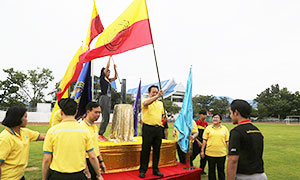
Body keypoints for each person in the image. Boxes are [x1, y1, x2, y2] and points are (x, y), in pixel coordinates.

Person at [42, 98, 103, 180]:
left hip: (57, 175)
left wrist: (44, 178)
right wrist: (98, 175)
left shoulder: (52, 131)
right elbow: (92, 156)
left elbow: (47, 159)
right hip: (78, 175)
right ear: (76, 112)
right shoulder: (84, 131)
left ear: (61, 112)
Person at [0, 106, 45, 180]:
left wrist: (59, 133)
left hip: (20, 176)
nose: (27, 120)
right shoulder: (5, 138)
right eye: (25, 117)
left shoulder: (24, 132)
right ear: (18, 118)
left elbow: (43, 136)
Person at [227, 99, 268, 180]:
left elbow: (233, 160)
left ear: (236, 113)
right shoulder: (257, 130)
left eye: (231, 113)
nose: (230, 116)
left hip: (244, 176)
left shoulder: (236, 131)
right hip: (261, 175)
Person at [139, 85, 164, 178]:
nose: (155, 93)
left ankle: (155, 169)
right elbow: (146, 103)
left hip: (158, 129)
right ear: (149, 93)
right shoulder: (145, 101)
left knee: (157, 151)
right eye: (153, 92)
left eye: (156, 92)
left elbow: (162, 115)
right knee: (146, 150)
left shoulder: (160, 104)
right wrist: (157, 96)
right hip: (148, 128)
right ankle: (143, 170)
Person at [80, 102, 106, 180]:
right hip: (87, 161)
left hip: (94, 159)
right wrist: (86, 170)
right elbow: (81, 152)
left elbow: (96, 146)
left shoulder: (94, 127)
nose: (98, 115)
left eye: (99, 113)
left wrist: (101, 161)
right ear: (88, 112)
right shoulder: (81, 127)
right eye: (96, 112)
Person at [201, 114, 229, 180]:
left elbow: (227, 141)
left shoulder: (224, 129)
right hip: (210, 153)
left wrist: (229, 151)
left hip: (221, 154)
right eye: (214, 117)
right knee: (211, 171)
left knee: (221, 171)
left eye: (217, 118)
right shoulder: (208, 128)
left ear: (220, 120)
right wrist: (202, 150)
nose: (215, 119)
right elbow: (204, 140)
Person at [98, 56, 118, 141]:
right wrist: (109, 57)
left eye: (109, 72)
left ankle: (101, 134)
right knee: (105, 117)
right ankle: (100, 134)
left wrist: (115, 69)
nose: (109, 73)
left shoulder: (108, 80)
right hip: (104, 98)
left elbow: (116, 77)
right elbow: (107, 66)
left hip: (108, 99)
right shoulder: (102, 78)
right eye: (108, 72)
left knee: (107, 117)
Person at [190, 110, 208, 175]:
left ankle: (201, 170)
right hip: (196, 141)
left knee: (204, 157)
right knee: (193, 155)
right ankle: (190, 167)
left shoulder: (206, 123)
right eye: (203, 114)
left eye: (205, 114)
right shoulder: (196, 123)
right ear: (200, 115)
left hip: (203, 142)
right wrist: (198, 142)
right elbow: (194, 133)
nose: (205, 116)